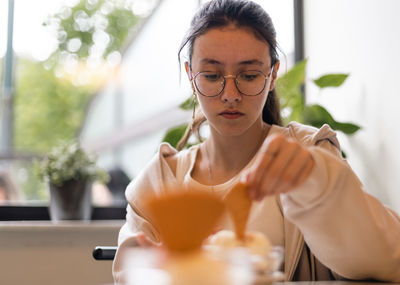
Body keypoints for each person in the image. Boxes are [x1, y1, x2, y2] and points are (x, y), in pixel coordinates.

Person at [113, 0, 400, 282]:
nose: (230, 94)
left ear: (273, 74)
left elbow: (387, 260)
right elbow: (128, 273)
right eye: (212, 76)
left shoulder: (307, 156)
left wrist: (319, 185)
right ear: (190, 76)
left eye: (249, 75)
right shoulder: (159, 183)